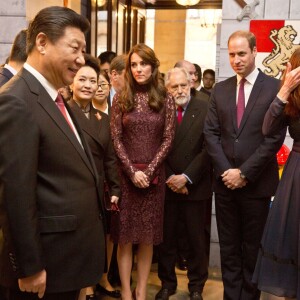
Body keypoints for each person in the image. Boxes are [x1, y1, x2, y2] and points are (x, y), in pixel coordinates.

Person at [0, 6, 106, 300]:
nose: (81, 59)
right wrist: (29, 266)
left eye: (84, 49)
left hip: (67, 260)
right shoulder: (17, 100)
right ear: (43, 43)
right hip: (44, 268)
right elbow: (15, 194)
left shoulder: (54, 96)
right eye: (75, 47)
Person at [203, 30, 286, 300]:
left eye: (242, 53)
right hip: (225, 184)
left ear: (254, 52)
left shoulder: (274, 87)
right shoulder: (221, 89)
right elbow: (211, 134)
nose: (236, 60)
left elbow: (273, 138)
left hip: (256, 185)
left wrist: (244, 173)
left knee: (252, 250)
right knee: (228, 248)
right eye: (231, 55)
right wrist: (228, 171)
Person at [110, 43, 176, 300]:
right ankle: (126, 290)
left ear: (153, 66)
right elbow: (115, 137)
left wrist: (148, 171)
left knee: (147, 239)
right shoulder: (121, 98)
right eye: (134, 64)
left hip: (154, 178)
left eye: (143, 63)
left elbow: (168, 138)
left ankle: (141, 290)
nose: (139, 69)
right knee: (125, 238)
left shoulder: (165, 98)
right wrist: (131, 171)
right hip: (126, 178)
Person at [155, 67, 212, 300]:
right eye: (174, 86)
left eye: (183, 85)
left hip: (195, 186)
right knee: (166, 239)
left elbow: (209, 147)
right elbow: (155, 147)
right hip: (167, 186)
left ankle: (197, 286)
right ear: (166, 90)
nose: (180, 90)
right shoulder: (159, 110)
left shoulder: (205, 107)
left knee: (197, 239)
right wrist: (172, 179)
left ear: (191, 83)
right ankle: (167, 284)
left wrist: (186, 177)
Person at [68, 53, 121, 300]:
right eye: (83, 80)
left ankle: (90, 285)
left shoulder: (104, 118)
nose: (88, 86)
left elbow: (110, 158)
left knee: (96, 242)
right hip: (72, 191)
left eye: (93, 81)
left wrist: (116, 189)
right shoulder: (63, 114)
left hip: (99, 190)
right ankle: (81, 289)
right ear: (71, 82)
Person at [253, 48, 300, 300]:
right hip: (296, 173)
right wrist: (284, 90)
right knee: (292, 241)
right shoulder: (291, 97)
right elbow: (267, 128)